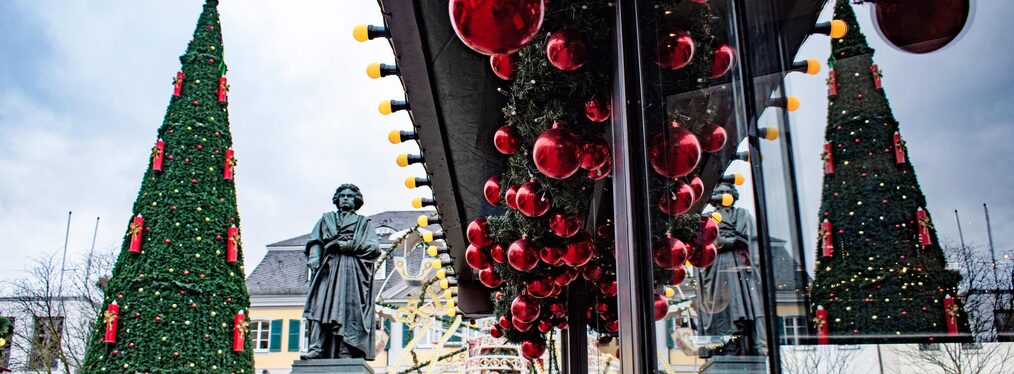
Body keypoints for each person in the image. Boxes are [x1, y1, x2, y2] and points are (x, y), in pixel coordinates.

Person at [300, 184, 381, 360]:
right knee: (319, 306)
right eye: (342, 195)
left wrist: (349, 245)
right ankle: (316, 348)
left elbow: (374, 248)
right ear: (337, 199)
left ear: (356, 201)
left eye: (350, 196)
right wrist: (314, 255)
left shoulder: (363, 223)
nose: (345, 198)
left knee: (348, 310)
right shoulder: (326, 219)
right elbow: (315, 241)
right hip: (328, 269)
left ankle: (346, 350)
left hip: (352, 271)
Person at [698, 181, 767, 356]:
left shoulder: (744, 215)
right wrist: (727, 241)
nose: (724, 195)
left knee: (749, 305)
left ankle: (748, 344)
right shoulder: (708, 218)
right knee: (724, 307)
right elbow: (703, 242)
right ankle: (726, 345)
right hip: (719, 267)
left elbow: (755, 240)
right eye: (720, 192)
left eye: (728, 191)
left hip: (743, 264)